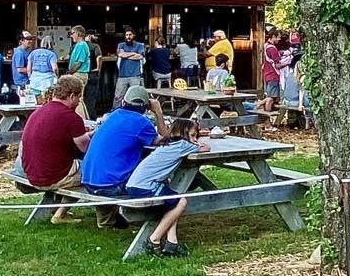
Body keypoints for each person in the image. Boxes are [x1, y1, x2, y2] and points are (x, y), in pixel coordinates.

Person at [81, 85, 167, 227]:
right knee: (155, 173)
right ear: (147, 107)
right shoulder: (141, 123)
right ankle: (143, 219)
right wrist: (158, 111)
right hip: (109, 186)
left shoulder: (112, 116)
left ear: (123, 102)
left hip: (88, 180)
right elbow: (166, 141)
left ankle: (107, 220)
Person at [12, 75, 93, 223]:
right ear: (72, 96)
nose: (79, 102)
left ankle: (59, 212)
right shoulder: (71, 117)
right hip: (53, 176)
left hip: (31, 172)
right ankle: (109, 216)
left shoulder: (38, 112)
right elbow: (86, 149)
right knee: (94, 170)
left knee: (75, 166)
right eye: (79, 97)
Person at [123, 117, 210, 256]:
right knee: (180, 202)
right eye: (193, 135)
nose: (194, 139)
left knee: (173, 202)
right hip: (145, 187)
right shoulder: (183, 144)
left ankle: (172, 243)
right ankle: (154, 239)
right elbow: (206, 148)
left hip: (134, 184)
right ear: (183, 133)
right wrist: (197, 142)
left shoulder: (167, 144)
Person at [113, 27, 146, 102]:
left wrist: (126, 55)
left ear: (133, 35)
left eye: (130, 35)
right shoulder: (121, 45)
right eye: (126, 35)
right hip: (122, 75)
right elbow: (121, 54)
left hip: (135, 75)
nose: (128, 37)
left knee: (136, 97)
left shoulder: (139, 45)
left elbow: (140, 56)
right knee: (118, 97)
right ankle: (117, 109)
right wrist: (134, 53)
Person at [258, 28, 282, 112]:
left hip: (267, 74)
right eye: (278, 37)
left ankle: (261, 106)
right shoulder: (272, 49)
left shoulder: (265, 46)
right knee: (270, 99)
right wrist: (288, 63)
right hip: (273, 75)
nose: (279, 39)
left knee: (272, 97)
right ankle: (267, 115)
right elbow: (277, 65)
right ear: (273, 36)